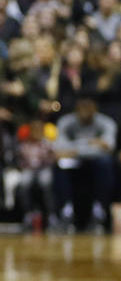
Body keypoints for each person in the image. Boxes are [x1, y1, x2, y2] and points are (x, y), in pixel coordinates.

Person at [53, 96, 116, 231]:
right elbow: (58, 150)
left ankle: (99, 211)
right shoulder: (66, 122)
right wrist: (92, 144)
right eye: (82, 107)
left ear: (95, 109)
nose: (86, 111)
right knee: (60, 164)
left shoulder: (106, 122)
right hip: (74, 161)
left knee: (106, 162)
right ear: (76, 109)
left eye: (89, 107)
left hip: (95, 160)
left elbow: (109, 147)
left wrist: (76, 149)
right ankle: (66, 212)